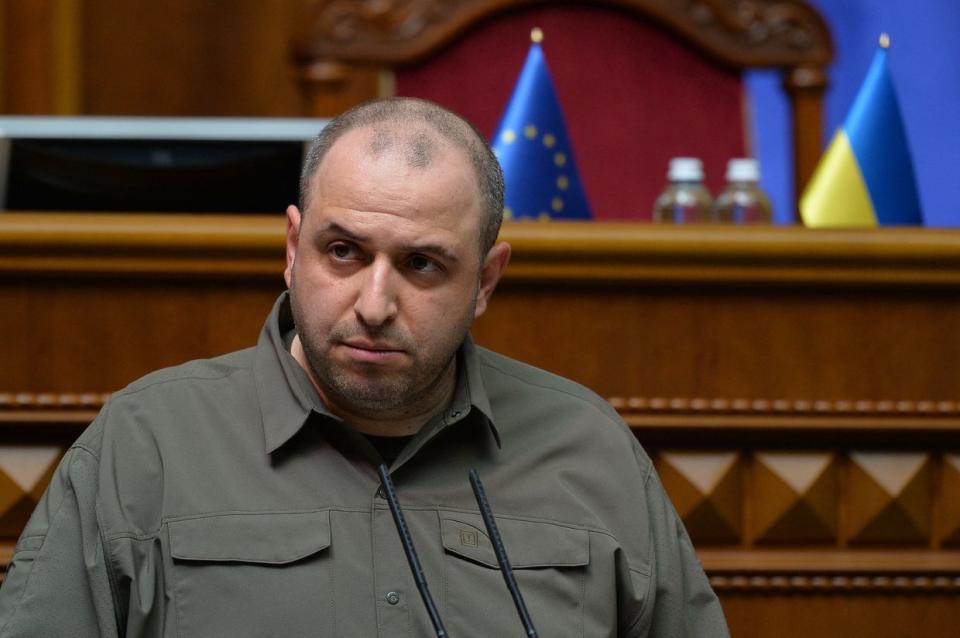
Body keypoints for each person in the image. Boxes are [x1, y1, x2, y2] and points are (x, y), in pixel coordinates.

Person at [0, 97, 728, 637]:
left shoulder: (589, 449)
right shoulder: (146, 444)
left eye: (422, 264)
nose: (375, 303)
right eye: (343, 252)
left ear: (486, 281)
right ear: (292, 248)